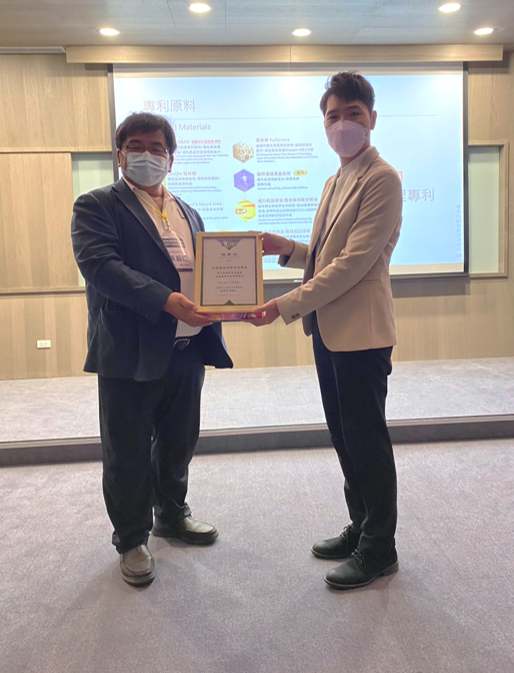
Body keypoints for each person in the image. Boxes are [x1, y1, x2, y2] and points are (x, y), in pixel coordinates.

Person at [247, 72, 402, 590]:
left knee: (366, 439)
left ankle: (380, 548)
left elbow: (353, 264)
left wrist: (282, 306)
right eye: (333, 116)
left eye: (353, 114)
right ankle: (361, 526)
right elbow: (325, 256)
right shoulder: (336, 180)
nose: (342, 124)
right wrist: (288, 249)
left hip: (361, 333)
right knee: (344, 436)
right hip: (329, 330)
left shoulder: (382, 178)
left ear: (372, 119)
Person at [71, 112, 232, 586]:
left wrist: (228, 298)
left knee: (179, 441)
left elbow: (208, 271)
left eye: (157, 147)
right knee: (127, 450)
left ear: (171, 158)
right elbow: (101, 267)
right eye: (136, 146)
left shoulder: (189, 211)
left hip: (187, 348)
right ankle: (131, 538)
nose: (147, 154)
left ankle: (172, 515)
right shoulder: (97, 204)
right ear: (120, 155)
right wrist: (165, 299)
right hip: (129, 350)